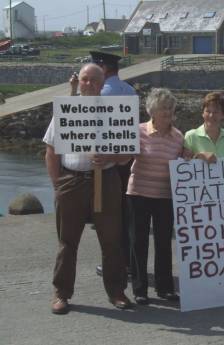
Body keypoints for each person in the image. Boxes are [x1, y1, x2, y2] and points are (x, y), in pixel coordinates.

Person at [44, 63, 132, 315]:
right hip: (71, 180)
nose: (89, 84)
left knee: (112, 240)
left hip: (106, 179)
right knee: (67, 241)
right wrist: (57, 183)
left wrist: (110, 156)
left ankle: (116, 292)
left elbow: (127, 156)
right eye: (85, 79)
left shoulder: (116, 112)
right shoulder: (67, 110)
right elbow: (50, 151)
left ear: (103, 83)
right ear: (78, 81)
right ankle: (61, 293)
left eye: (94, 80)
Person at [127, 88, 183, 305]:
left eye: (170, 108)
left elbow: (185, 162)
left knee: (163, 243)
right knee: (138, 242)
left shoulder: (178, 137)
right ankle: (140, 289)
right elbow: (124, 158)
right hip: (139, 193)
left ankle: (165, 288)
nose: (168, 112)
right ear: (152, 111)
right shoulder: (138, 131)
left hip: (165, 196)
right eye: (164, 108)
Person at [85, 51, 137, 278]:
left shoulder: (102, 93)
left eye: (97, 67)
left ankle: (114, 264)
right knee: (126, 213)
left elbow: (85, 119)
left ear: (104, 68)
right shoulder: (130, 90)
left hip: (107, 162)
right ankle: (128, 261)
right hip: (126, 157)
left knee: (108, 216)